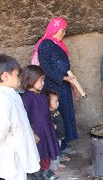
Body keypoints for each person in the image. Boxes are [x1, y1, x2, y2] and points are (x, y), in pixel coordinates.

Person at [0, 55, 40, 180]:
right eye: (16, 75)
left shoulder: (12, 94)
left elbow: (22, 118)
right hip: (13, 149)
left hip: (21, 143)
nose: (18, 78)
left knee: (22, 173)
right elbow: (3, 126)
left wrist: (31, 133)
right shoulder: (1, 98)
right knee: (16, 175)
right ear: (5, 76)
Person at [32, 17, 79, 153]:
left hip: (63, 85)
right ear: (54, 28)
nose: (64, 33)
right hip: (53, 87)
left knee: (66, 113)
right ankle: (58, 149)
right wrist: (63, 78)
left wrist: (71, 84)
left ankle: (64, 144)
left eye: (65, 30)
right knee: (58, 117)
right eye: (62, 30)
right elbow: (45, 69)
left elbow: (64, 68)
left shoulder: (58, 45)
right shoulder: (45, 44)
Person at [21, 65, 61, 179]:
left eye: (43, 80)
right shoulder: (27, 98)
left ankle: (46, 170)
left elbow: (46, 112)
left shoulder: (42, 94)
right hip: (37, 132)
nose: (43, 83)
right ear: (31, 79)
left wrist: (50, 122)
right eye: (41, 80)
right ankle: (41, 173)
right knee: (40, 153)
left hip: (46, 128)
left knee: (47, 151)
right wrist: (32, 133)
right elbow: (24, 118)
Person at [45, 89, 71, 163]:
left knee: (58, 150)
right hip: (54, 137)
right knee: (55, 152)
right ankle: (54, 167)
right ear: (47, 103)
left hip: (59, 136)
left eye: (57, 101)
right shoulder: (48, 114)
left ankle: (57, 164)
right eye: (55, 101)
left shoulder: (55, 111)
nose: (58, 103)